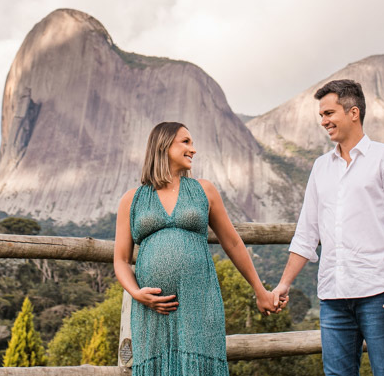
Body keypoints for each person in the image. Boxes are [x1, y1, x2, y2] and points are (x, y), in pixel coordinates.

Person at [272, 79, 384, 376]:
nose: (324, 121)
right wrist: (283, 284)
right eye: (321, 116)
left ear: (353, 112)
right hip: (333, 296)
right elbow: (306, 232)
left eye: (329, 113)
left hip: (380, 293)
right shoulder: (320, 167)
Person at [114, 121, 281, 376]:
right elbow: (121, 260)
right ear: (164, 144)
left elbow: (233, 242)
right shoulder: (132, 199)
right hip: (152, 309)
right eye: (186, 142)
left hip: (199, 304)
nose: (193, 149)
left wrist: (260, 290)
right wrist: (136, 294)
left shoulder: (204, 190)